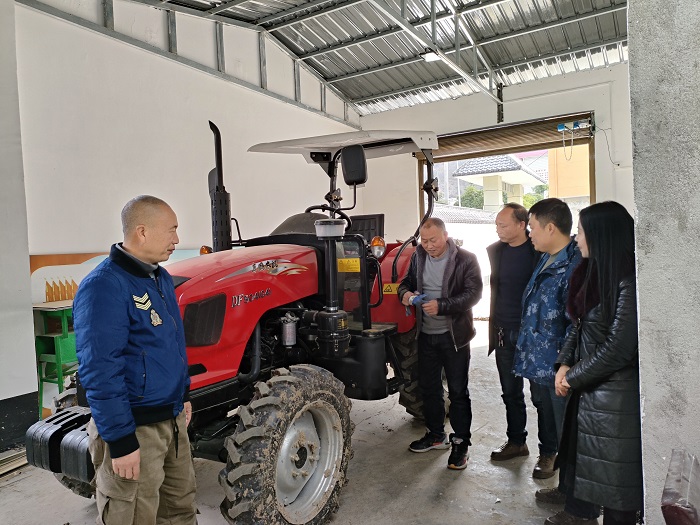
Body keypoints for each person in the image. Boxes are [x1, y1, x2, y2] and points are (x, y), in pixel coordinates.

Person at [73, 195, 197, 525]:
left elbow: (172, 345)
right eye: (171, 230)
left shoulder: (160, 278)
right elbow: (100, 370)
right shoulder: (104, 286)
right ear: (142, 232)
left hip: (172, 420)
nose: (177, 239)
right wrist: (121, 441)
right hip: (135, 427)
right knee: (133, 515)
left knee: (179, 509)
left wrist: (183, 394)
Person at [541, 201, 643, 525]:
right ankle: (579, 513)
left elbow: (619, 349)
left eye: (581, 232)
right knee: (587, 467)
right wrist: (563, 364)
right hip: (590, 391)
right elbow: (578, 324)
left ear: (601, 235)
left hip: (614, 400)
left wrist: (574, 377)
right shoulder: (592, 272)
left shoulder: (628, 281)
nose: (576, 239)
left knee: (615, 490)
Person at [398, 217, 483, 470]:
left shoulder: (466, 259)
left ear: (445, 235)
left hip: (454, 337)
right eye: (424, 241)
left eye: (433, 240)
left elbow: (474, 294)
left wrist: (442, 306)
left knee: (457, 392)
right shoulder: (418, 257)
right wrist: (407, 295)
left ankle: (460, 443)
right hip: (426, 335)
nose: (428, 245)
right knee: (429, 388)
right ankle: (436, 435)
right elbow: (404, 284)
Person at [513, 198, 580, 479]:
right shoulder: (546, 256)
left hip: (558, 364)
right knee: (544, 411)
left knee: (565, 422)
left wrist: (565, 363)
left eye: (533, 227)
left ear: (550, 228)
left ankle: (570, 486)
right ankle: (548, 453)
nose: (530, 234)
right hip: (537, 359)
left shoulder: (574, 265)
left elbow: (576, 323)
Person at [487, 203, 539, 461]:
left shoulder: (538, 251)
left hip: (533, 335)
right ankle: (517, 441)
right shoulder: (497, 251)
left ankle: (550, 452)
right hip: (503, 332)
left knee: (541, 396)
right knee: (510, 393)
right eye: (497, 224)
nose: (498, 229)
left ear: (522, 225)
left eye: (503, 225)